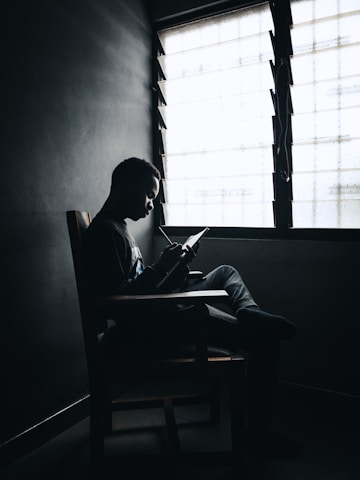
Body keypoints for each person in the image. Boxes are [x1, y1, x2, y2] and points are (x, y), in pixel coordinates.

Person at [84, 156, 302, 459]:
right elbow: (116, 304)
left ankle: (248, 311)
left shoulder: (118, 228)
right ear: (125, 185)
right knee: (266, 339)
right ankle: (259, 436)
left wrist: (175, 269)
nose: (150, 204)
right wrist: (162, 267)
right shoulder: (104, 233)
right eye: (149, 194)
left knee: (224, 271)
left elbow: (138, 285)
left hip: (160, 309)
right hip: (158, 322)